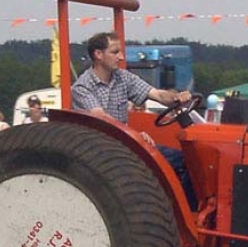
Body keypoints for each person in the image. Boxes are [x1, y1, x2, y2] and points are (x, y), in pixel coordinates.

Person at [71, 31, 196, 210]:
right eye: (115, 52)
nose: (121, 57)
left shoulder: (123, 77)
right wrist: (135, 135)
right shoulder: (82, 87)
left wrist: (176, 97)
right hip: (100, 151)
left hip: (126, 145)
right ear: (98, 54)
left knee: (188, 160)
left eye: (120, 52)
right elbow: (101, 118)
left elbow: (158, 95)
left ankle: (185, 211)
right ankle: (177, 212)